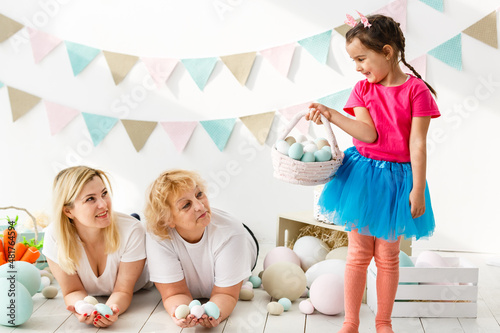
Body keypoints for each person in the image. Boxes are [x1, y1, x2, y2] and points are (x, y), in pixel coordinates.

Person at [306, 13, 440, 333]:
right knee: (357, 254)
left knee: (389, 256)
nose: (358, 67)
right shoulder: (363, 89)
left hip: (398, 181)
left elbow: (418, 144)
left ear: (387, 52)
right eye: (354, 61)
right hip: (364, 177)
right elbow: (368, 135)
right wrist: (331, 114)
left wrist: (417, 188)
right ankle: (351, 321)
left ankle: (383, 322)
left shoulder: (416, 91)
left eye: (362, 58)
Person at [144, 169, 259, 329]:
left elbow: (225, 294)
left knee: (230, 229)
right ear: (168, 219)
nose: (200, 206)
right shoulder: (158, 236)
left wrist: (214, 313)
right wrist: (183, 314)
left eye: (199, 194)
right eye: (186, 205)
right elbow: (175, 293)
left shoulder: (231, 231)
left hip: (242, 238)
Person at [43, 166, 150, 328]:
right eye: (90, 199)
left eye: (104, 194)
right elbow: (72, 291)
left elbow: (123, 290)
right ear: (68, 211)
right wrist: (84, 309)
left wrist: (108, 311)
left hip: (139, 291)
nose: (103, 204)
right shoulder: (54, 236)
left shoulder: (132, 230)